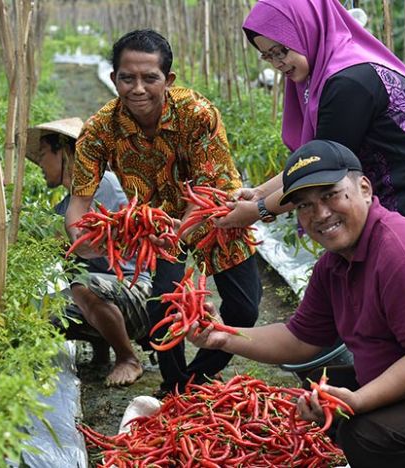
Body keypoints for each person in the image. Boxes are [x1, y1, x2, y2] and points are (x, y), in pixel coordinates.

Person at [188, 140, 405, 467]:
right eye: (305, 205)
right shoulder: (335, 264)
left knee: (365, 433)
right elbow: (300, 339)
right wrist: (223, 336)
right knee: (325, 387)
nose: (321, 214)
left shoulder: (401, 253)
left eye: (330, 195)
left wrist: (358, 401)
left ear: (365, 188)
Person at [64, 29, 262, 396]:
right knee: (163, 309)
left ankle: (197, 378)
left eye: (149, 78)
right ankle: (173, 386)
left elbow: (203, 191)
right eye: (127, 78)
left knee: (244, 310)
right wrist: (81, 240)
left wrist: (177, 230)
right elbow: (80, 201)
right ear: (114, 79)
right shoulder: (98, 131)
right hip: (156, 225)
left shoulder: (197, 115)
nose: (137, 88)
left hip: (216, 214)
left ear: (167, 80)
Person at [218, 0, 405, 264]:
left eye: (281, 51)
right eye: (268, 56)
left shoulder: (348, 82)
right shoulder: (345, 66)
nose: (277, 63)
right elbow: (314, 161)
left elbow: (317, 172)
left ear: (307, 29)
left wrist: (258, 210)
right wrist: (259, 192)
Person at [26, 118, 152, 387]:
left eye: (43, 155)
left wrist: (60, 241)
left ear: (64, 151)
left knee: (82, 285)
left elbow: (93, 248)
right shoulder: (63, 208)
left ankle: (128, 358)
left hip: (139, 292)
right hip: (112, 292)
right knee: (37, 313)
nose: (39, 166)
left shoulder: (102, 184)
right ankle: (101, 349)